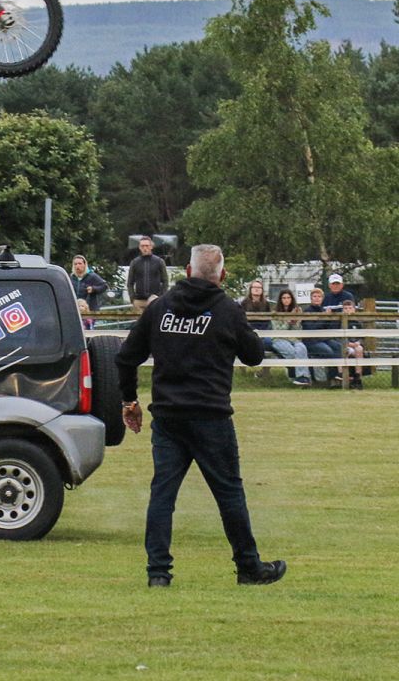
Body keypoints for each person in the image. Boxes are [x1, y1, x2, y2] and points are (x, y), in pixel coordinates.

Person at [115, 243, 286, 588]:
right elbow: (254, 356)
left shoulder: (159, 309)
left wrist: (129, 401)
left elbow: (125, 357)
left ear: (188, 271)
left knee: (163, 494)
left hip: (168, 418)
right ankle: (249, 568)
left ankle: (158, 574)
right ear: (221, 275)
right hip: (211, 417)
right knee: (228, 493)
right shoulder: (228, 311)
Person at [271, 289, 313, 386]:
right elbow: (278, 330)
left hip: (294, 338)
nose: (286, 300)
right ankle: (295, 373)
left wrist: (295, 320)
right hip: (279, 338)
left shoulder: (297, 310)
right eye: (284, 298)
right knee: (291, 352)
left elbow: (298, 329)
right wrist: (288, 321)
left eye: (288, 298)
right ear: (280, 300)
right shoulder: (275, 312)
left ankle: (303, 378)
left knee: (302, 349)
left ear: (292, 299)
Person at [301, 287, 343, 386]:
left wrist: (331, 318)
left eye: (319, 296)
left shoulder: (323, 310)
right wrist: (325, 317)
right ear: (311, 298)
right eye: (314, 296)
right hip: (311, 341)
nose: (317, 298)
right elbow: (311, 329)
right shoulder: (307, 311)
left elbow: (329, 328)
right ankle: (332, 377)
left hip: (323, 339)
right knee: (327, 351)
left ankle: (339, 375)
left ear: (322, 298)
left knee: (338, 346)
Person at [126, 236, 169, 311]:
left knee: (155, 322)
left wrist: (161, 297)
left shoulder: (159, 261)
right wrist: (132, 299)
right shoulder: (134, 262)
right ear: (139, 247)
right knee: (140, 322)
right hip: (139, 301)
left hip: (155, 300)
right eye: (142, 246)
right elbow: (130, 282)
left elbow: (165, 281)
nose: (145, 248)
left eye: (147, 245)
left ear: (151, 247)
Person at [340, 298, 366, 389]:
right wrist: (349, 344)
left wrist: (358, 343)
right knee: (345, 351)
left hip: (356, 346)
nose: (348, 310)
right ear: (342, 310)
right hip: (345, 346)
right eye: (346, 308)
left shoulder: (357, 323)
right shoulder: (340, 321)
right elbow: (338, 337)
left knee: (360, 349)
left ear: (354, 309)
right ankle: (344, 378)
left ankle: (358, 377)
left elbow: (362, 337)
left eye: (350, 308)